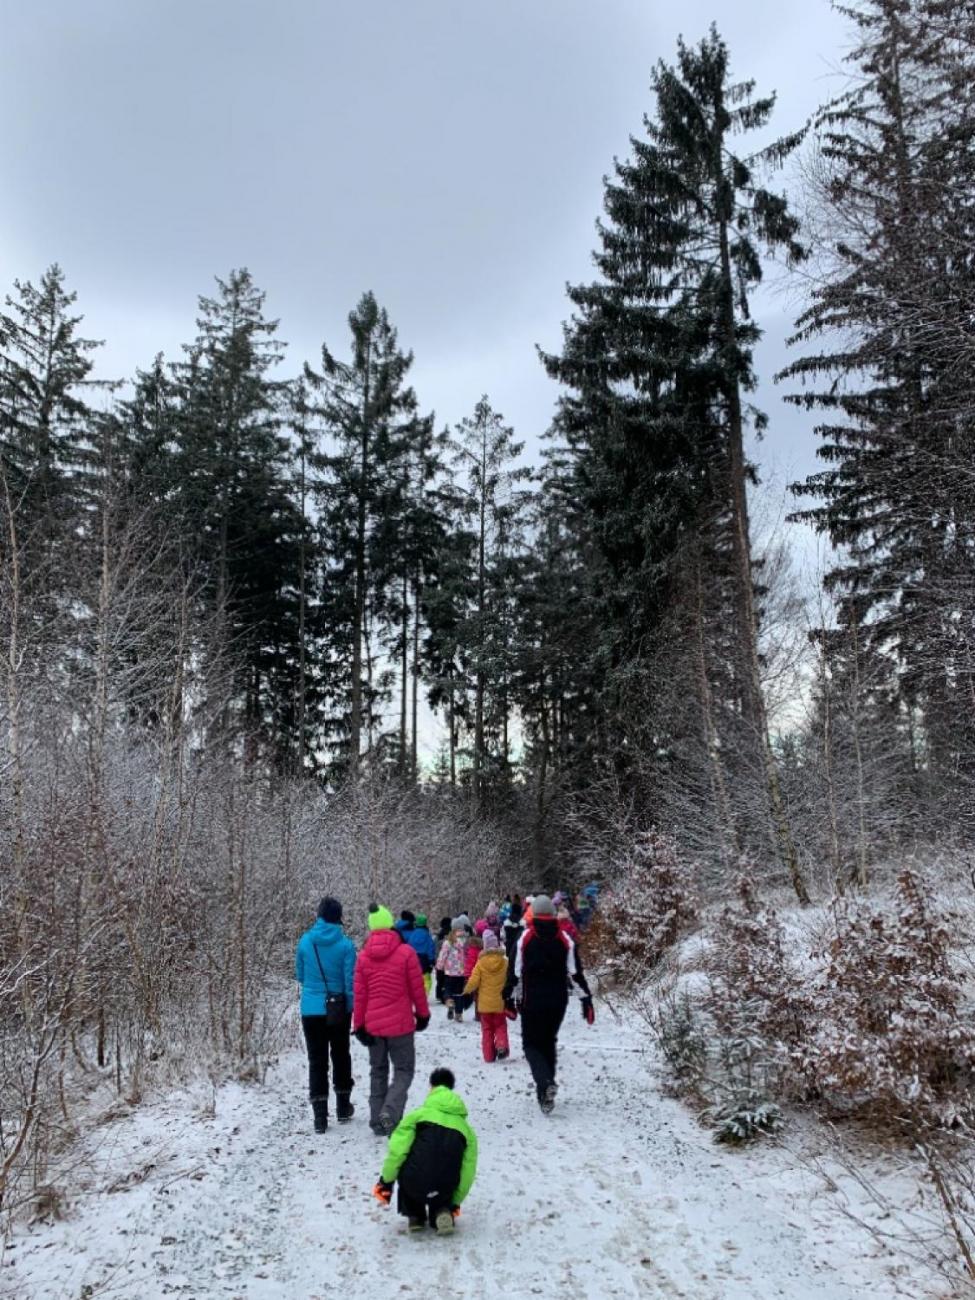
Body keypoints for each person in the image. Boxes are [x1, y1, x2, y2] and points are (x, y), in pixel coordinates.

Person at [504, 893, 594, 1114]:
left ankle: (545, 1083)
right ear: (553, 915)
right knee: (548, 1042)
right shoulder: (565, 939)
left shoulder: (525, 938)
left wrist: (508, 999)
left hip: (532, 1000)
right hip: (557, 1001)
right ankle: (545, 1094)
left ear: (533, 914)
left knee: (531, 1044)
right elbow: (575, 973)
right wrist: (586, 1000)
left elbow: (515, 973)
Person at [353, 905, 430, 1137]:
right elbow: (417, 988)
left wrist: (358, 1025)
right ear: (390, 924)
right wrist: (423, 1014)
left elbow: (360, 995)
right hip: (401, 1025)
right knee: (404, 1070)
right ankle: (390, 1111)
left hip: (373, 1026)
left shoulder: (363, 957)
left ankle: (377, 1120)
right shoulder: (406, 953)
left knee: (377, 1071)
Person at [372, 1067, 478, 1235]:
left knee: (409, 1164)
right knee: (444, 1181)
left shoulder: (417, 1116)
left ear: (431, 1088)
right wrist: (455, 1202)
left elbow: (397, 1152)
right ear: (451, 1088)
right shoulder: (467, 1130)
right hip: (446, 1185)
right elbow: (468, 1172)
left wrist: (386, 1182)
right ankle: (442, 1210)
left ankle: (415, 1215)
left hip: (414, 1182)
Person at [294, 896, 357, 1132]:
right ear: (339, 917)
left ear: (319, 915)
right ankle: (343, 1106)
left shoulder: (305, 941)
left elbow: (300, 975)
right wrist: (350, 1007)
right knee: (341, 1055)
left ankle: (320, 1117)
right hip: (338, 1008)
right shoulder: (346, 946)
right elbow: (349, 982)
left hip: (311, 1009)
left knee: (317, 1060)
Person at [463, 930, 510, 1062]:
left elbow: (473, 981)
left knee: (487, 1029)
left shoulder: (481, 963)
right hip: (500, 1002)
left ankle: (489, 1056)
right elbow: (510, 979)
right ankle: (501, 1045)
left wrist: (466, 990)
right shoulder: (505, 962)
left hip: (484, 1005)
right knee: (500, 1026)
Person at [436, 919, 468, 1022]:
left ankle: (450, 1003)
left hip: (449, 973)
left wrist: (439, 967)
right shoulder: (466, 941)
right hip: (462, 973)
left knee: (448, 990)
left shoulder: (448, 942)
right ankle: (459, 1014)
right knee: (459, 994)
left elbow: (443, 956)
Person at [407, 913, 437, 996]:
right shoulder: (427, 935)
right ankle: (425, 994)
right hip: (424, 959)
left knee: (414, 977)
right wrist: (431, 960)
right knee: (426, 978)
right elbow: (430, 948)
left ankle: (415, 994)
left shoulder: (412, 934)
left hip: (413, 958)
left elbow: (408, 947)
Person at [434, 917, 452, 1004]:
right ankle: (446, 994)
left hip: (440, 960)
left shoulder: (439, 935)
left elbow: (435, 949)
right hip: (449, 961)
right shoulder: (452, 934)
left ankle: (439, 994)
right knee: (447, 979)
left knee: (440, 979)